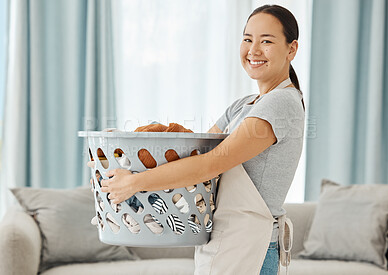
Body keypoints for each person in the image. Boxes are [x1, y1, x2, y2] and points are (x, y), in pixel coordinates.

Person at [99, 4, 304, 275]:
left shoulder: (280, 103)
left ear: (291, 49)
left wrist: (134, 183)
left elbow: (210, 164)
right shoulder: (244, 105)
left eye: (266, 41)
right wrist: (121, 154)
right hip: (226, 239)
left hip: (248, 245)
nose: (253, 50)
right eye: (247, 39)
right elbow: (192, 152)